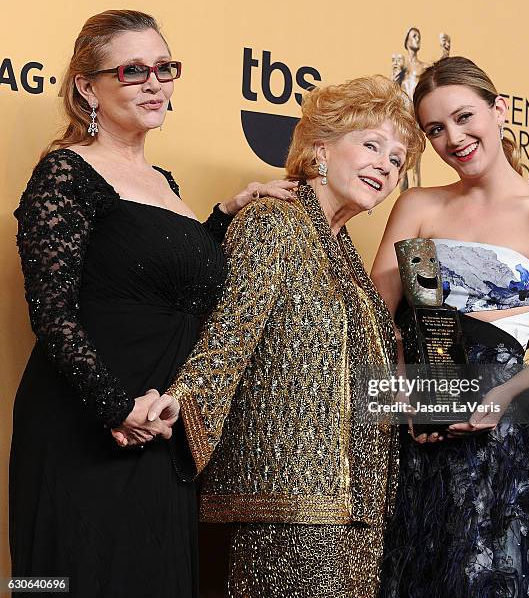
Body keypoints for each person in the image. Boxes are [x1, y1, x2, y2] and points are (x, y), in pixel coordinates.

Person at [9, 9, 296, 598]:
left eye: (165, 68)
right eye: (133, 70)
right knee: (58, 583)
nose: (155, 82)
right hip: (86, 428)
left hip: (161, 430)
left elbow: (166, 282)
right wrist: (115, 408)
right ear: (88, 87)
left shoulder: (164, 181)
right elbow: (52, 314)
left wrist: (226, 214)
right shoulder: (66, 172)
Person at [156, 75, 425, 597]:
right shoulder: (273, 220)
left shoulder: (345, 254)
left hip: (360, 506)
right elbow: (230, 333)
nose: (385, 167)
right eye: (371, 145)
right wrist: (179, 406)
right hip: (284, 498)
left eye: (396, 160)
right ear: (320, 147)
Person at [372, 56, 529, 597]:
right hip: (417, 427)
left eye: (464, 117)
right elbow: (378, 318)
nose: (453, 138)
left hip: (501, 431)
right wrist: (403, 395)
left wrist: (504, 394)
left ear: (499, 110)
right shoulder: (417, 204)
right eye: (435, 129)